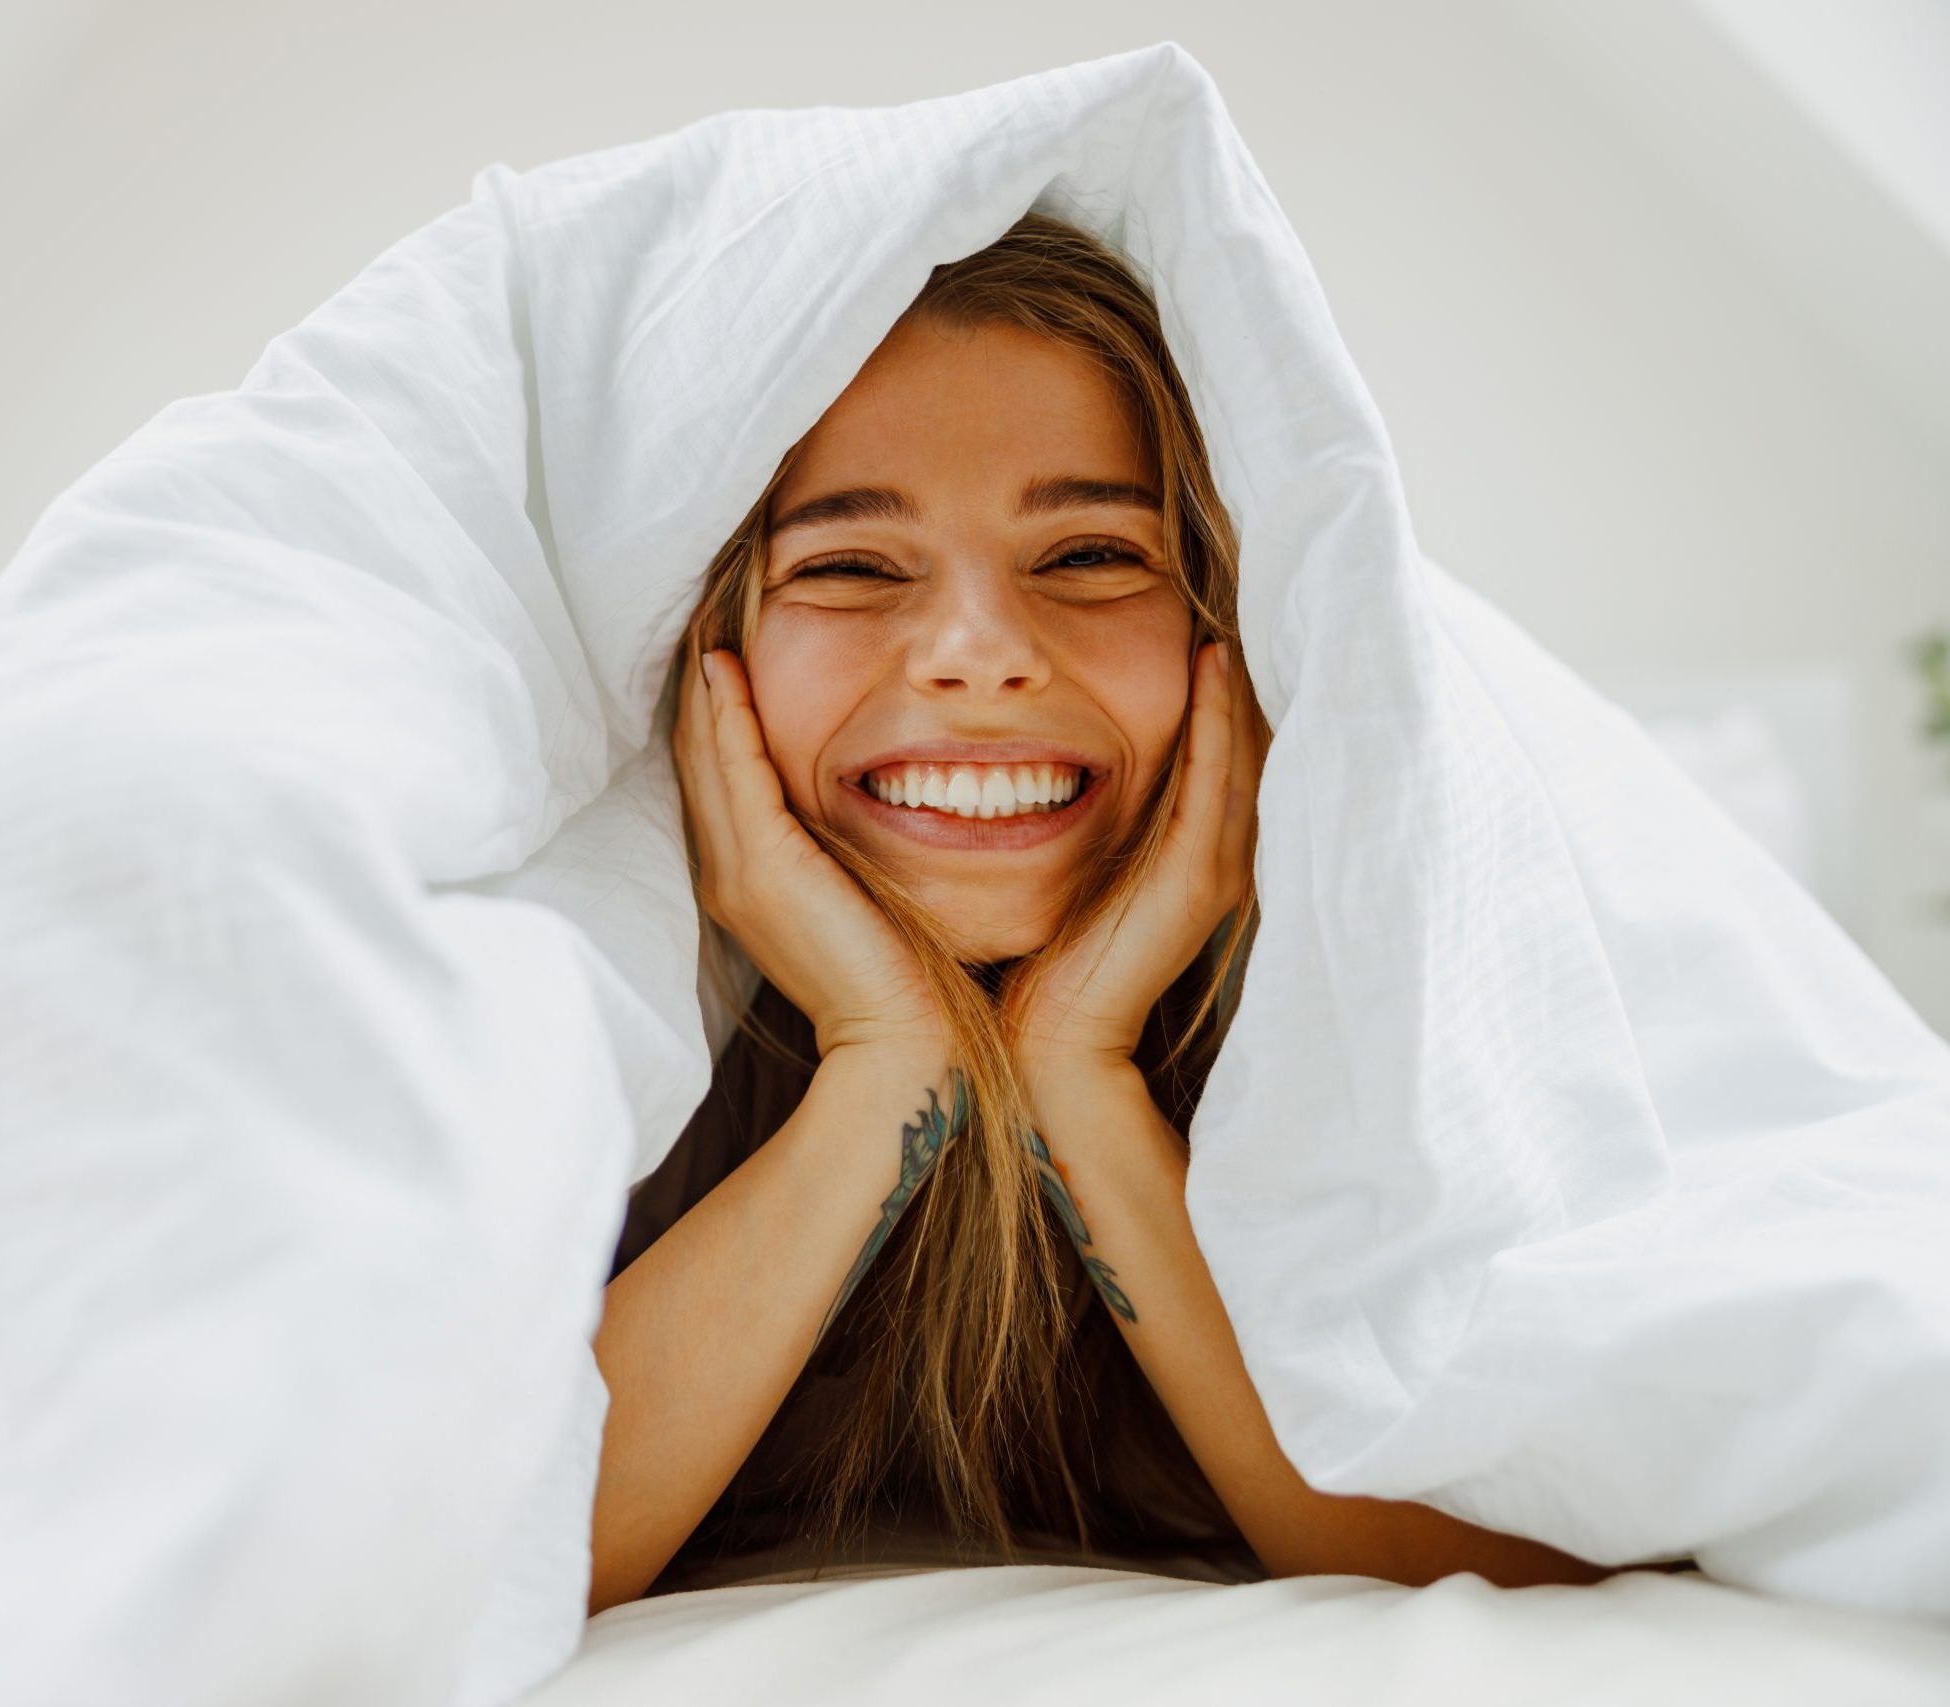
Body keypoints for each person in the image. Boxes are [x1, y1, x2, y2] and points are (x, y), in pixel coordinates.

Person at [584, 213, 1630, 1615]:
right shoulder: (580, 1019)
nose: (979, 657)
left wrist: (1076, 1068)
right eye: (845, 566)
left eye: (1088, 556)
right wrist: (884, 1056)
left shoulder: (1393, 991)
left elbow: (1518, 1570)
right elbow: (454, 1563)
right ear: (709, 652)